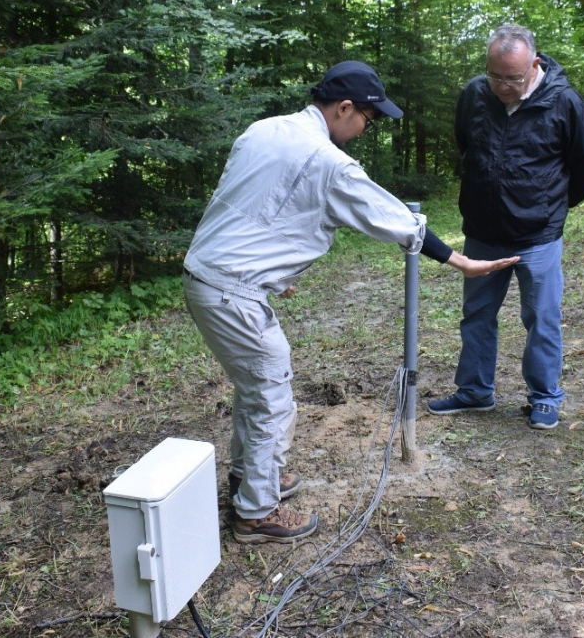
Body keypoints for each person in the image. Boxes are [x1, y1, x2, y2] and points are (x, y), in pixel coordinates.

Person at [183, 60, 518, 544]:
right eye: (368, 118)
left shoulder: (266, 130)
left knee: (256, 386)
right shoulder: (327, 161)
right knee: (271, 391)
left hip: (208, 276)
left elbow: (254, 208)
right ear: (344, 108)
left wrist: (273, 270)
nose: (366, 128)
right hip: (231, 293)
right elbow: (394, 218)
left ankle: (251, 477)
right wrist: (459, 261)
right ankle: (255, 513)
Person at [427, 24, 584, 431]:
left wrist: (552, 207)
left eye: (513, 78)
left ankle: (544, 397)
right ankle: (475, 391)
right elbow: (465, 144)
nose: (503, 86)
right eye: (495, 76)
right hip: (483, 230)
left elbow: (583, 162)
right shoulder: (474, 94)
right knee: (477, 314)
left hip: (538, 234)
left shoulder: (565, 102)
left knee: (541, 317)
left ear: (534, 64)